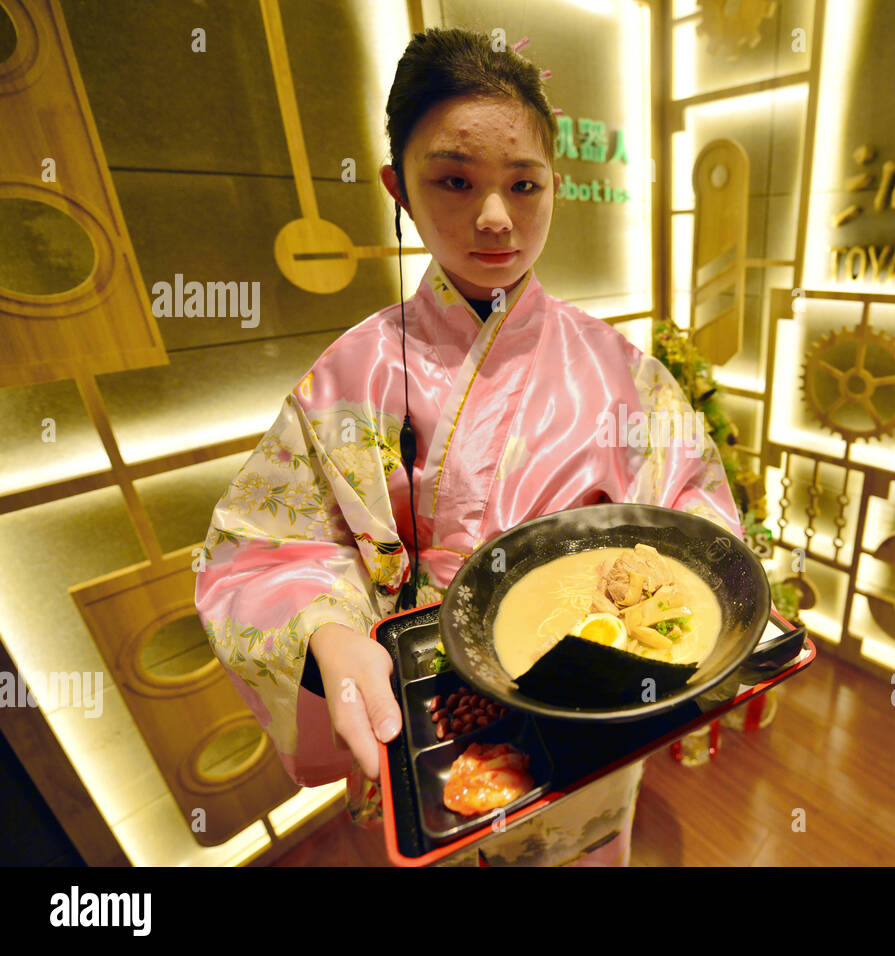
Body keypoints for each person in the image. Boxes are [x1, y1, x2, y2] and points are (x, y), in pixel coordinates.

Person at [194, 27, 743, 865]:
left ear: (556, 185)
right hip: (425, 691)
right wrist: (329, 638)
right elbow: (268, 548)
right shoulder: (352, 373)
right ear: (399, 189)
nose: (496, 218)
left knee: (582, 843)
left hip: (588, 684)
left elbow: (697, 508)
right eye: (455, 180)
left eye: (524, 184)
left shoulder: (626, 374)